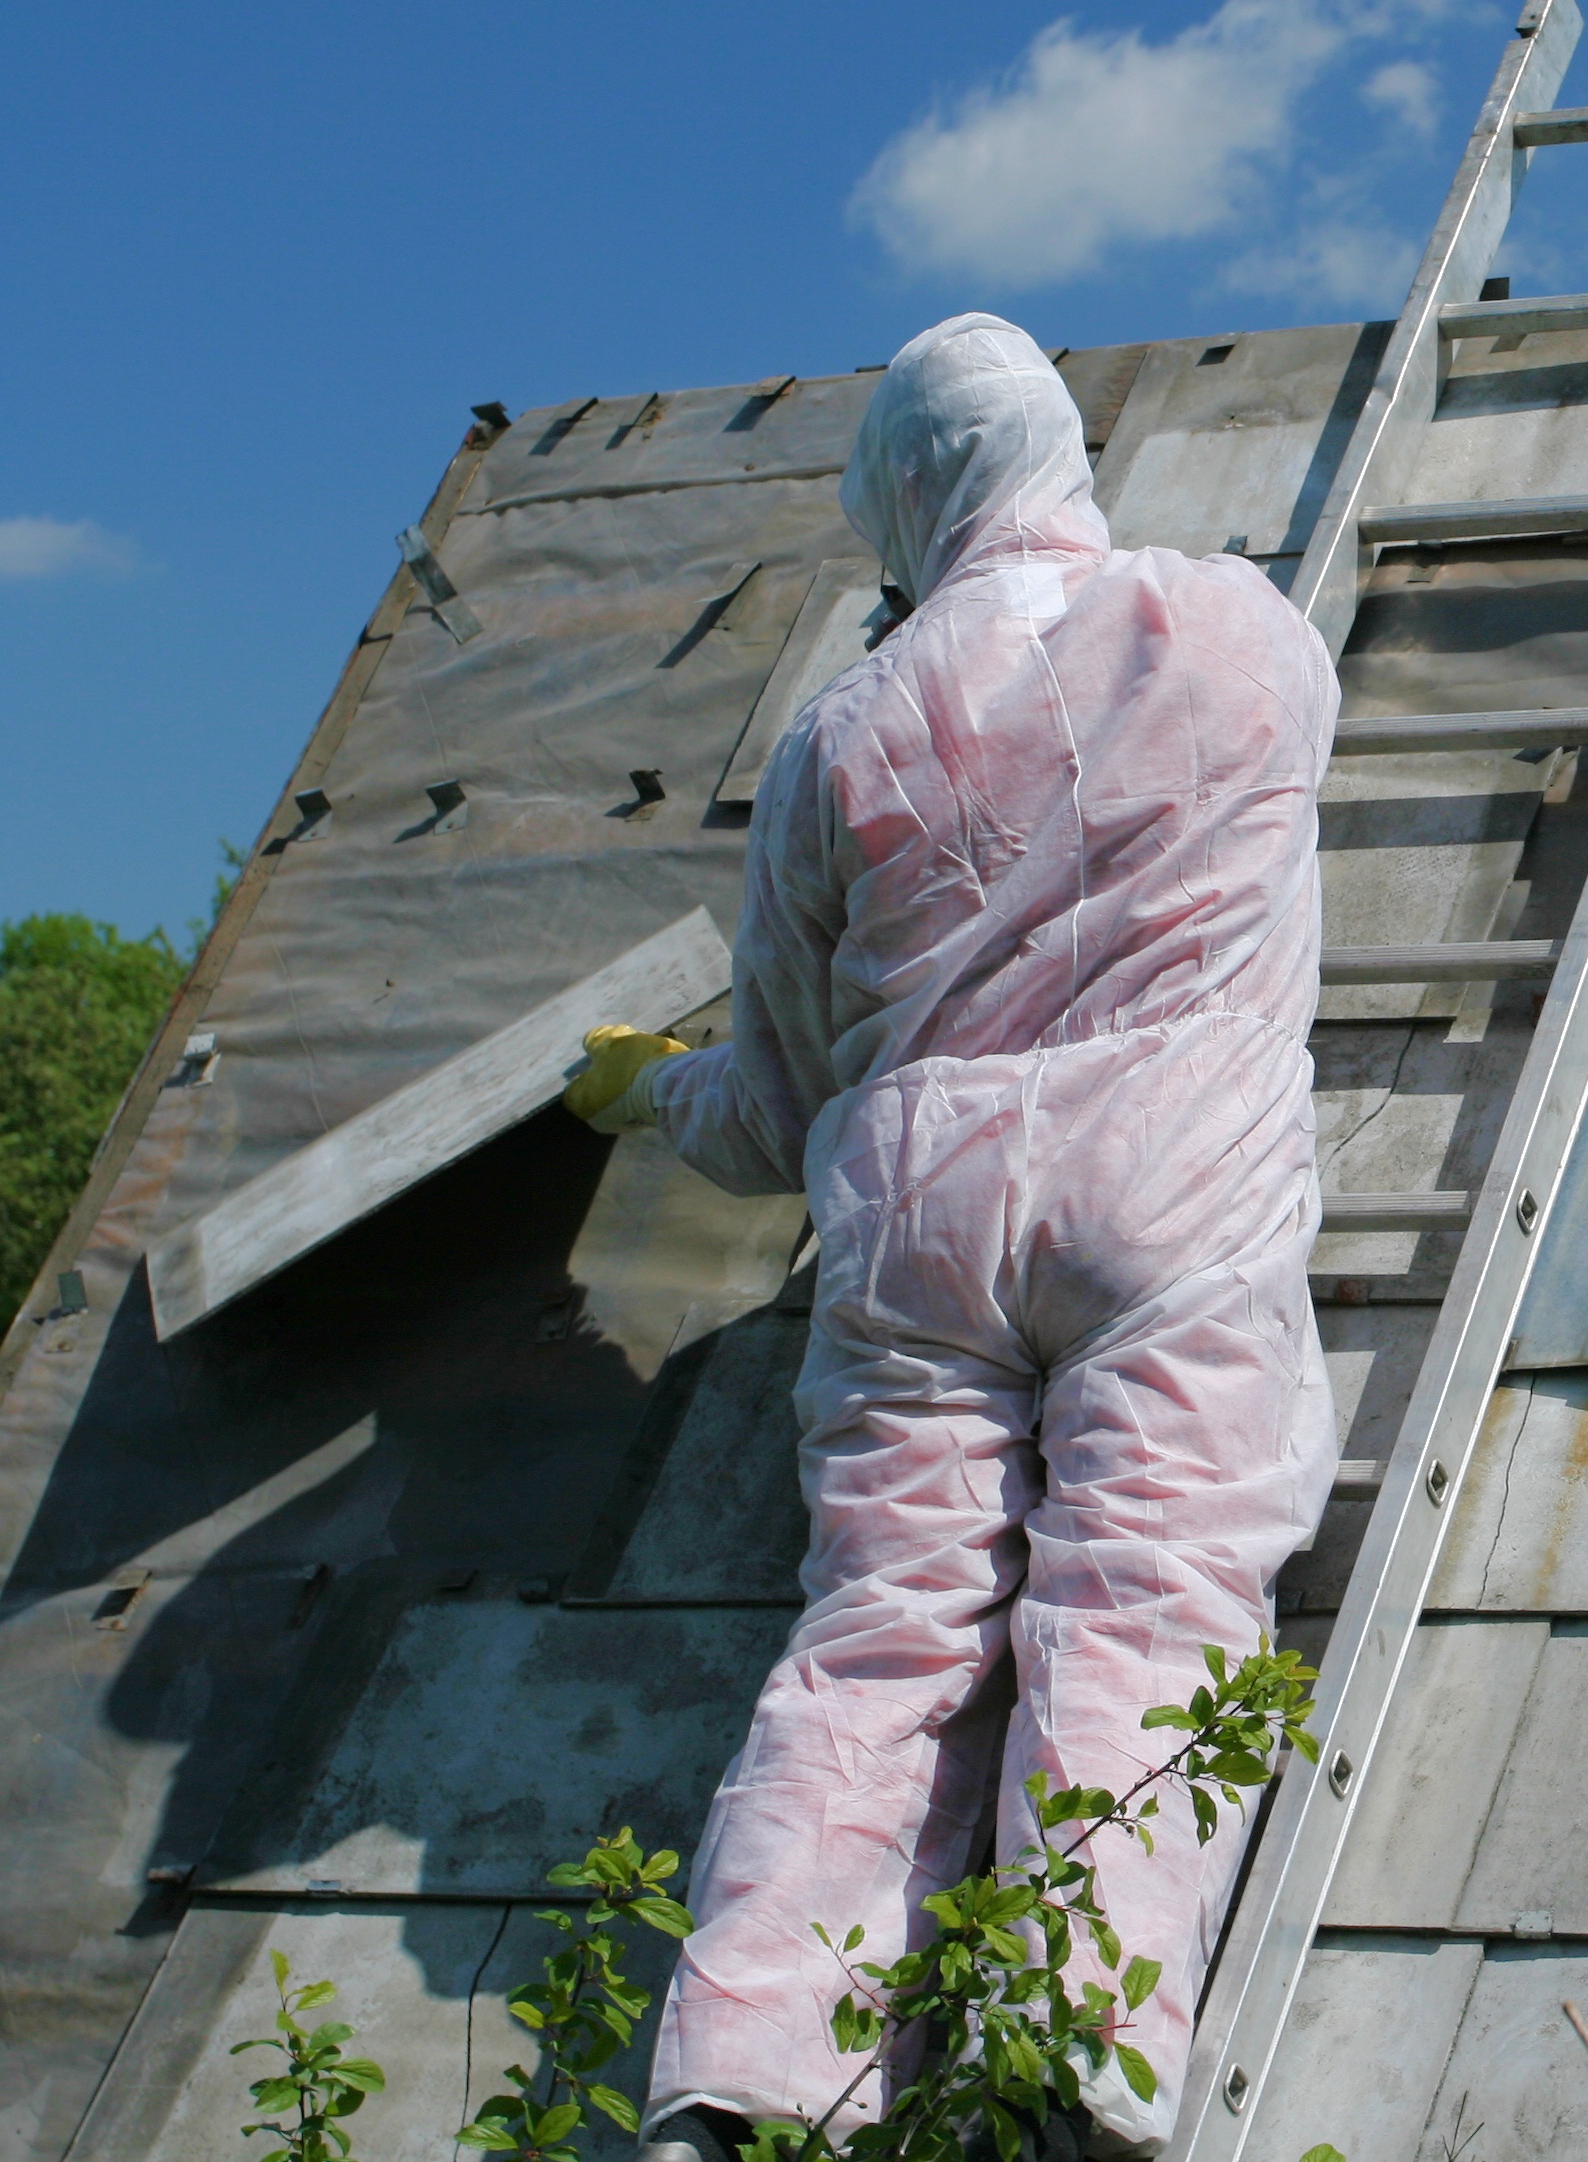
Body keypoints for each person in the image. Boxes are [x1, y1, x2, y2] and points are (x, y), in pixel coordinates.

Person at [563, 314, 1339, 2157]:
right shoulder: (1243, 631)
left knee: (886, 1638)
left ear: (901, 500)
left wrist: (636, 1098)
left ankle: (743, 2089)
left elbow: (767, 1108)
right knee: (1149, 1593)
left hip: (916, 1216)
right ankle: (1073, 2057)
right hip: (1168, 1182)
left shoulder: (846, 730)